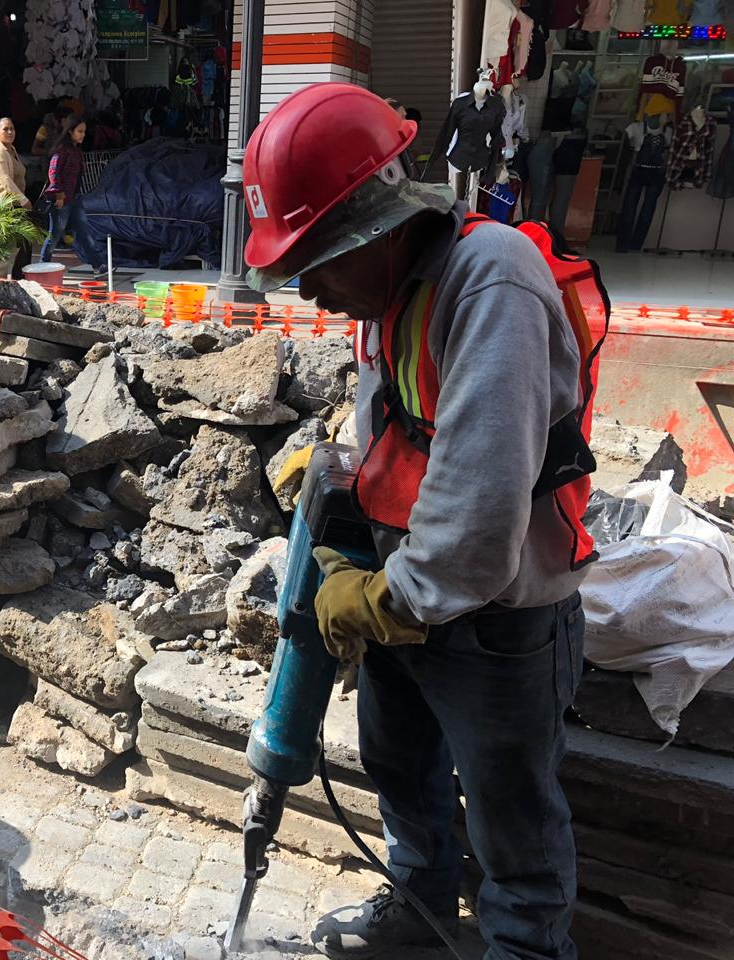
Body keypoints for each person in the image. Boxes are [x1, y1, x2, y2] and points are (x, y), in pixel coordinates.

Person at [242, 83, 594, 960]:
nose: (310, 292)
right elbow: (400, 434)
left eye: (317, 262)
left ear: (378, 224)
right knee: (402, 774)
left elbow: (479, 516)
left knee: (514, 829)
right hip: (406, 586)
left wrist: (381, 603)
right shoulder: (386, 295)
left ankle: (525, 949)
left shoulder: (493, 282)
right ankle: (420, 914)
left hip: (498, 618)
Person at [0, 117, 32, 278]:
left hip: (10, 203)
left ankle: (19, 277)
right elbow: (5, 180)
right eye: (5, 129)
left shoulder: (10, 149)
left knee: (25, 239)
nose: (10, 132)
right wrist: (23, 200)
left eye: (12, 129)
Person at [40, 114, 85, 262]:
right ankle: (43, 264)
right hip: (62, 199)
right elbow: (53, 172)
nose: (83, 135)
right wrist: (59, 195)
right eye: (80, 131)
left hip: (73, 198)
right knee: (55, 235)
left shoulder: (75, 151)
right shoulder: (62, 150)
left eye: (84, 131)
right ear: (70, 131)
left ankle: (99, 266)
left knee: (83, 231)